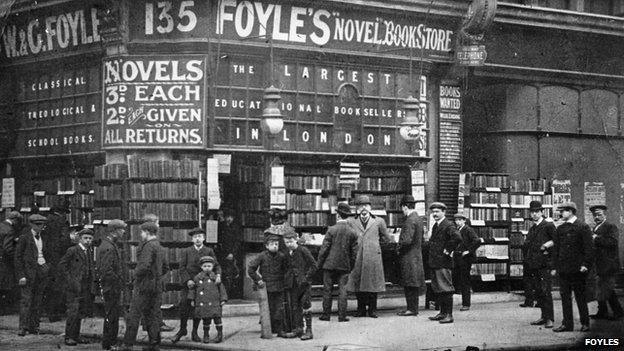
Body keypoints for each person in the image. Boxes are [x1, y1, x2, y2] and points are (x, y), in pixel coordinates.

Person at [116, 222, 166, 351]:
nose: (141, 235)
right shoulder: (159, 246)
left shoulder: (148, 246)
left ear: (148, 232)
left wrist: (135, 277)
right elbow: (166, 268)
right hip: (156, 286)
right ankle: (154, 345)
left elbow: (144, 266)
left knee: (134, 315)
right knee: (152, 315)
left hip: (143, 286)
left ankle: (127, 345)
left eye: (142, 232)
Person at [171, 228, 222, 343]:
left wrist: (218, 275)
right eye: (195, 237)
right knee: (184, 304)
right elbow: (182, 268)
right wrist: (188, 280)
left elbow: (217, 265)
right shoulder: (187, 251)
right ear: (192, 239)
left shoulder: (209, 251)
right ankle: (182, 329)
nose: (197, 239)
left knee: (198, 308)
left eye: (200, 236)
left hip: (202, 284)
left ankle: (194, 332)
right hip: (189, 284)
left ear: (204, 238)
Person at [347, 195, 393, 318]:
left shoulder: (379, 221)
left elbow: (386, 238)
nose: (364, 209)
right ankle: (360, 309)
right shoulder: (351, 221)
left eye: (366, 206)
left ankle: (373, 310)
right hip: (357, 257)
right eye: (361, 206)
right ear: (356, 208)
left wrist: (376, 247)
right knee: (358, 283)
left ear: (370, 207)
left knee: (373, 283)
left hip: (373, 257)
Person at [551, 202, 594, 332]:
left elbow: (589, 248)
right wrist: (554, 267)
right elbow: (556, 250)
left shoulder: (582, 227)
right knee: (565, 297)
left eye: (563, 211)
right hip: (564, 269)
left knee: (581, 297)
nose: (560, 213)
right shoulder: (560, 229)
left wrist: (586, 265)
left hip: (578, 269)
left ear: (571, 211)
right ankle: (567, 324)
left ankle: (585, 323)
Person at [317, 203, 358, 322]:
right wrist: (351, 266)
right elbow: (354, 253)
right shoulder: (352, 232)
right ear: (347, 217)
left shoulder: (331, 230)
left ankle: (326, 315)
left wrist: (319, 264)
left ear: (338, 216)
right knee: (343, 290)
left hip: (329, 265)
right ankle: (342, 316)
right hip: (344, 266)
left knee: (327, 290)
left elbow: (323, 250)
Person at [14, 214, 51, 336]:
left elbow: (49, 253)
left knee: (38, 300)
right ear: (31, 224)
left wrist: (47, 266)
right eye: (37, 224)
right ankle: (23, 327)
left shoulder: (45, 237)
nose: (40, 227)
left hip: (42, 271)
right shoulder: (25, 238)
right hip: (28, 273)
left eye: (42, 225)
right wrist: (21, 276)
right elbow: (18, 258)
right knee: (26, 301)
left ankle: (34, 326)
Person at [59, 228, 97, 346]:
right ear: (80, 239)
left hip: (85, 286)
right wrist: (70, 280)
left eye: (90, 239)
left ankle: (76, 335)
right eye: (85, 238)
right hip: (74, 286)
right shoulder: (73, 250)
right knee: (73, 312)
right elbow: (62, 266)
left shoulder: (89, 251)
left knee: (80, 311)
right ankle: (69, 337)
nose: (88, 241)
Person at [247, 236, 289, 337]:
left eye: (277, 244)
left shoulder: (282, 256)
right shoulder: (262, 256)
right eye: (272, 244)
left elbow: (287, 270)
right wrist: (258, 280)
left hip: (279, 286)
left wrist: (285, 281)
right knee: (268, 308)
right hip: (266, 287)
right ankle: (267, 328)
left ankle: (279, 330)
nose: (275, 246)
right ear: (266, 246)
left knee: (279, 308)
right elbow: (251, 269)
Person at [522, 201, 556, 329]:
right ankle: (543, 316)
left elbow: (556, 241)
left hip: (544, 264)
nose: (534, 214)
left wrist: (547, 245)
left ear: (542, 212)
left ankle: (550, 319)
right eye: (532, 212)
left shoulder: (548, 225)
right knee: (539, 291)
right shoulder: (533, 227)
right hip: (534, 264)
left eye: (537, 211)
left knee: (546, 291)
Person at [97, 219, 129, 350]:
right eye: (122, 229)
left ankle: (109, 343)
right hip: (110, 287)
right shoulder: (108, 247)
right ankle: (110, 344)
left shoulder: (109, 244)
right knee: (111, 316)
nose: (124, 232)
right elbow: (106, 271)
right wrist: (118, 281)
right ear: (115, 231)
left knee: (112, 315)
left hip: (111, 286)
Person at [427, 202, 461, 324]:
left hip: (443, 262)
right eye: (433, 212)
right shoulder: (436, 226)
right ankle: (442, 313)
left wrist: (448, 250)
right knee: (438, 288)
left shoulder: (448, 225)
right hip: (436, 262)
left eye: (437, 211)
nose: (434, 214)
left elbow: (457, 237)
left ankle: (449, 315)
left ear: (444, 212)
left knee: (445, 288)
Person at [589, 205, 623, 320]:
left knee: (607, 289)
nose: (596, 217)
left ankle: (618, 312)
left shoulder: (610, 226)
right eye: (595, 215)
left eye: (599, 214)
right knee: (601, 289)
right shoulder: (596, 227)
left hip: (608, 264)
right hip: (600, 263)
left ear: (605, 215)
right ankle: (602, 312)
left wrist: (595, 238)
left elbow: (613, 242)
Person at [142, 214, 175, 333]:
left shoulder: (149, 240)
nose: (159, 225)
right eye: (157, 222)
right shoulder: (148, 242)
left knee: (152, 303)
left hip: (154, 277)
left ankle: (151, 324)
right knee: (154, 303)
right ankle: (155, 325)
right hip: (152, 278)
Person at [396, 195, 426, 316]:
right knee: (413, 282)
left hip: (409, 256)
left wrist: (398, 248)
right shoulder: (418, 218)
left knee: (409, 283)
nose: (402, 211)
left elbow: (407, 240)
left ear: (405, 207)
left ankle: (411, 309)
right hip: (416, 256)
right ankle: (413, 308)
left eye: (402, 208)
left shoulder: (409, 220)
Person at [283, 231, 317, 340]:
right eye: (286, 242)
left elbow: (314, 266)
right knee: (295, 306)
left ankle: (309, 331)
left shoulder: (303, 250)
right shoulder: (287, 252)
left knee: (306, 306)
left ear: (296, 239)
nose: (289, 244)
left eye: (291, 241)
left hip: (304, 284)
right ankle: (298, 329)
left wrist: (306, 278)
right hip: (292, 284)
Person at [41, 205, 72, 322]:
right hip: (58, 258)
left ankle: (47, 312)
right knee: (58, 286)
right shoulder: (61, 221)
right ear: (61, 212)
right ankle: (55, 314)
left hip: (46, 258)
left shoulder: (44, 221)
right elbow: (65, 240)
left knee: (48, 286)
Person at [188, 256, 227, 343]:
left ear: (212, 266)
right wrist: (192, 299)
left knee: (217, 319)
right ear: (201, 267)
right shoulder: (197, 278)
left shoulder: (215, 278)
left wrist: (223, 299)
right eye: (205, 266)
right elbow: (193, 289)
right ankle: (206, 335)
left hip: (215, 302)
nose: (207, 268)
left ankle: (219, 335)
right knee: (206, 319)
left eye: (209, 266)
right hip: (204, 303)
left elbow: (222, 288)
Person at [453, 213, 481, 312]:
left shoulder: (468, 230)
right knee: (458, 280)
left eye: (460, 220)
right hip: (457, 257)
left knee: (465, 281)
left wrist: (468, 251)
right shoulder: (457, 230)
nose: (458, 222)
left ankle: (466, 304)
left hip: (465, 259)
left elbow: (477, 241)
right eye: (456, 220)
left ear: (464, 220)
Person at [216, 209, 242, 298]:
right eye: (227, 217)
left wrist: (232, 253)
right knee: (221, 273)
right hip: (221, 253)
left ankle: (228, 294)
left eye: (231, 217)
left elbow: (237, 242)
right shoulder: (222, 226)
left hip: (231, 254)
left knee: (229, 274)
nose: (229, 219)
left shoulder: (236, 228)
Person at [0, 211, 23, 307]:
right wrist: (16, 258)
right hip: (5, 261)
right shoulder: (10, 230)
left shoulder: (1, 225)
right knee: (6, 283)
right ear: (15, 220)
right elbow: (8, 248)